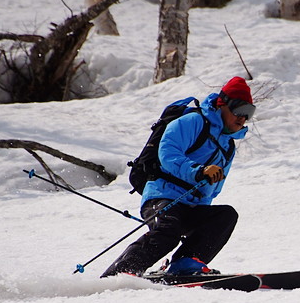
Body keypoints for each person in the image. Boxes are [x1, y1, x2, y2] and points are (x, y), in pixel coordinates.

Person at [100, 76, 256, 278]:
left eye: (249, 113)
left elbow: (215, 189)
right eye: (239, 109)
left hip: (192, 206)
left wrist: (205, 185)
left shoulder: (228, 147)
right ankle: (119, 274)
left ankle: (186, 262)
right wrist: (198, 172)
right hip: (162, 195)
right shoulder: (194, 122)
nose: (243, 118)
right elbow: (168, 154)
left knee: (225, 216)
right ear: (222, 104)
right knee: (168, 230)